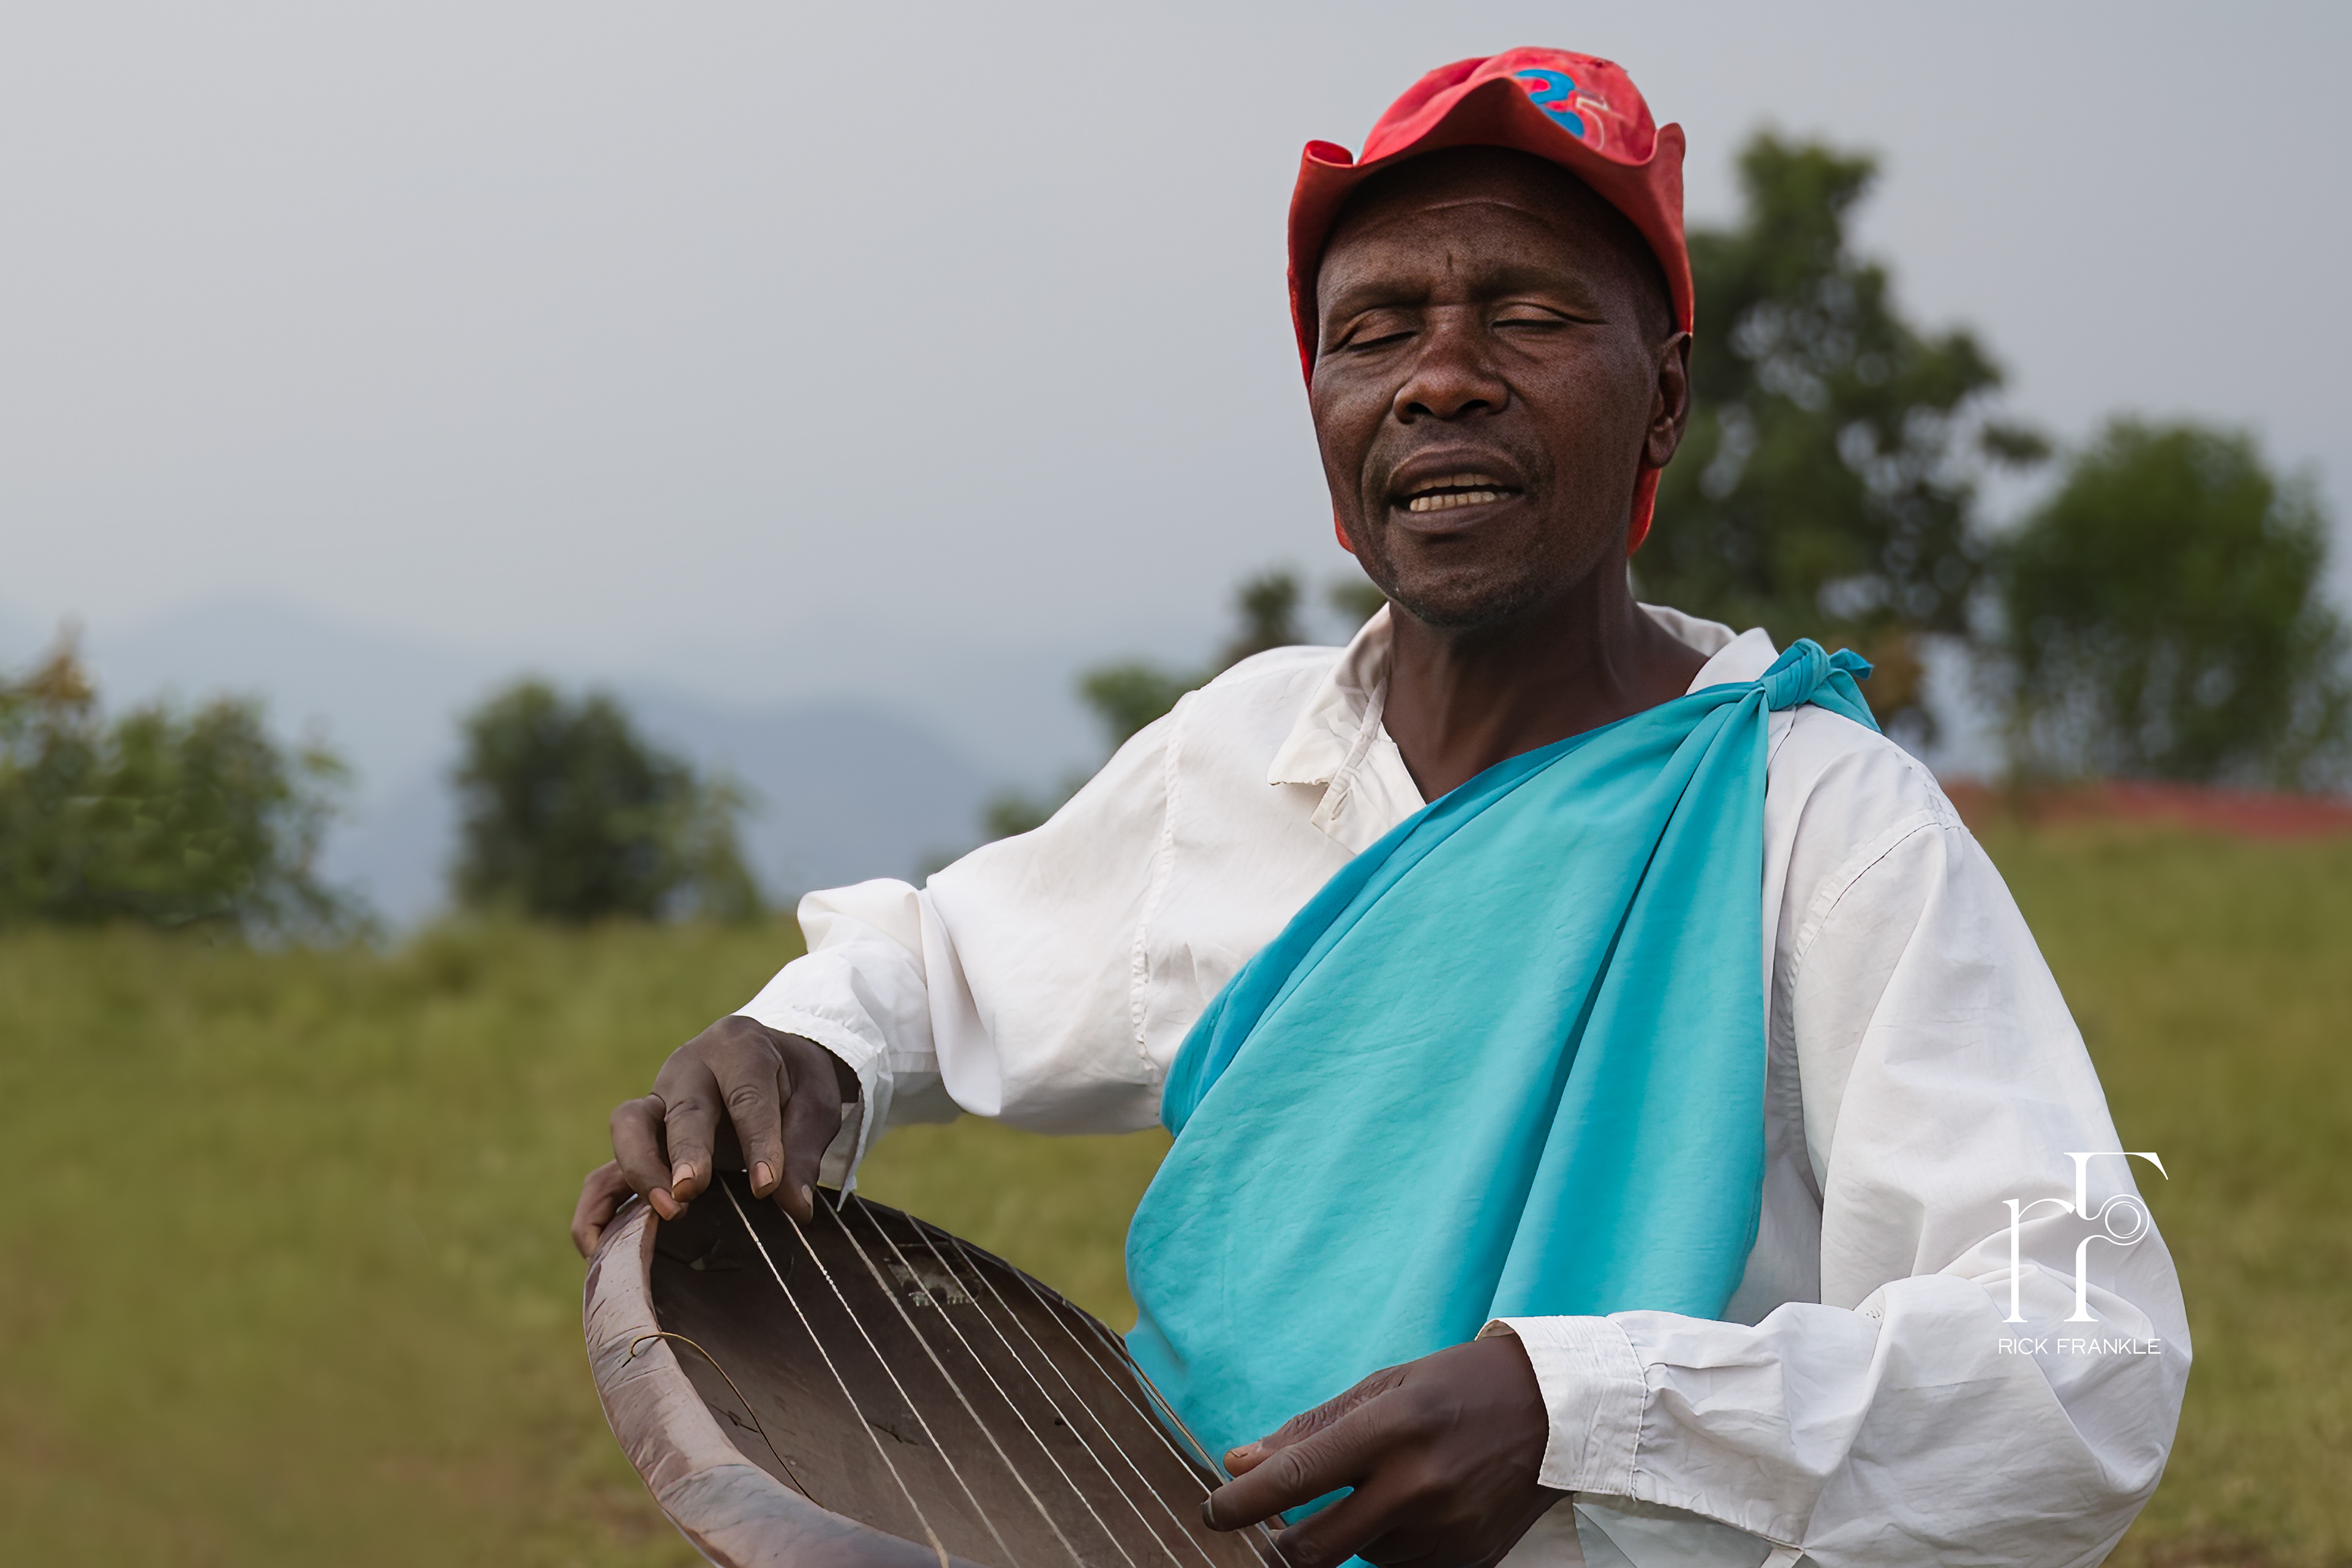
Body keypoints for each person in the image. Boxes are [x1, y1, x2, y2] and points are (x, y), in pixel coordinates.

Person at [573, 49, 2187, 1568]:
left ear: (1666, 401)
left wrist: (1577, 1411)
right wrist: (797, 1048)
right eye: (1376, 331)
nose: (1443, 381)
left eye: (1532, 315)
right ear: (1327, 421)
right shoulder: (1250, 751)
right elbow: (941, 974)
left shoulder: (1826, 826)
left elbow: (2082, 1352)